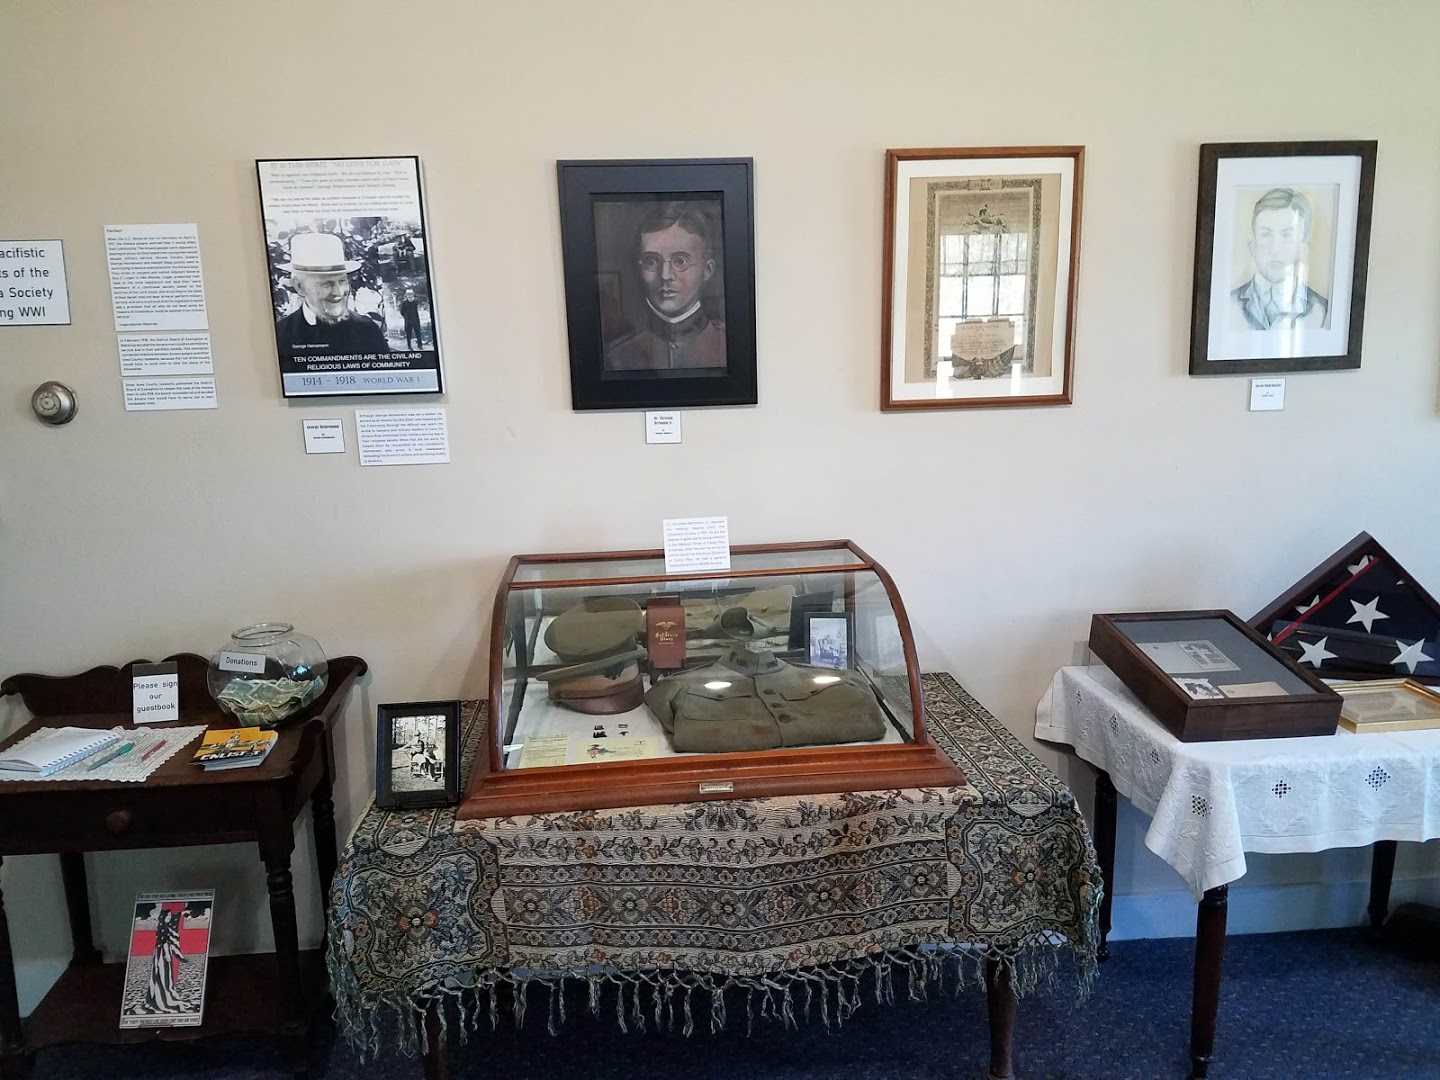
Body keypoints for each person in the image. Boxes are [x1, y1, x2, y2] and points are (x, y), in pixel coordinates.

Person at [603, 203, 726, 371]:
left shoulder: (726, 345)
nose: (665, 275)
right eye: (651, 261)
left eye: (680, 261)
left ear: (707, 270)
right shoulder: (618, 355)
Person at [1230, 188, 1330, 331]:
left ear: (1304, 248)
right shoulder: (1228, 304)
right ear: (1252, 247)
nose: (1275, 249)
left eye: (1287, 235)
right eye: (1266, 234)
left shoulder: (1322, 311)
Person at [274, 232, 390, 355]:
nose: (338, 292)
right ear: (299, 286)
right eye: (326, 284)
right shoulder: (280, 335)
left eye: (342, 281)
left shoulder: (368, 330)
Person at [143, 906, 184, 1014]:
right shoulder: (165, 928)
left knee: (157, 973)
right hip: (163, 953)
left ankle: (154, 996)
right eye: (168, 915)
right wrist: (167, 954)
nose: (169, 917)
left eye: (170, 916)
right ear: (164, 916)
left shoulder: (160, 926)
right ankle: (162, 995)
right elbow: (165, 942)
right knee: (163, 973)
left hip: (158, 952)